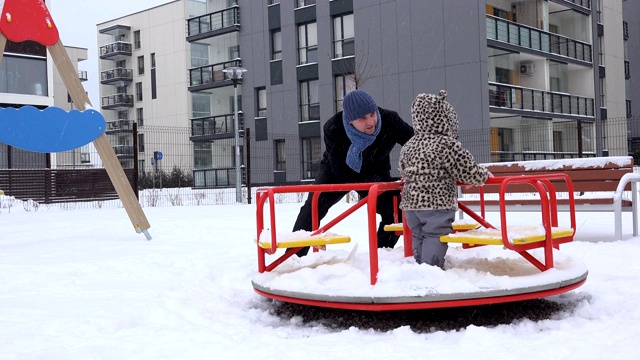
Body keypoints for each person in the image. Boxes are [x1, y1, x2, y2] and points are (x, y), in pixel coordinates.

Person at [292, 89, 414, 256]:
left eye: (372, 114)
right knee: (313, 206)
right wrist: (372, 182)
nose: (370, 121)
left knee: (395, 209)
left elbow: (416, 142)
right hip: (337, 171)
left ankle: (381, 255)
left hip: (376, 170)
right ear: (350, 121)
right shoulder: (333, 127)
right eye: (362, 118)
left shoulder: (390, 120)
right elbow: (341, 170)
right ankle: (293, 257)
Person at [399, 90, 490, 268]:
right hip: (436, 204)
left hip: (411, 206)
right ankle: (430, 269)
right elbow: (467, 169)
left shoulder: (409, 145)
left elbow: (403, 169)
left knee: (418, 234)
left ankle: (419, 267)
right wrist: (483, 175)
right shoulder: (446, 145)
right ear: (446, 120)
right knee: (434, 235)